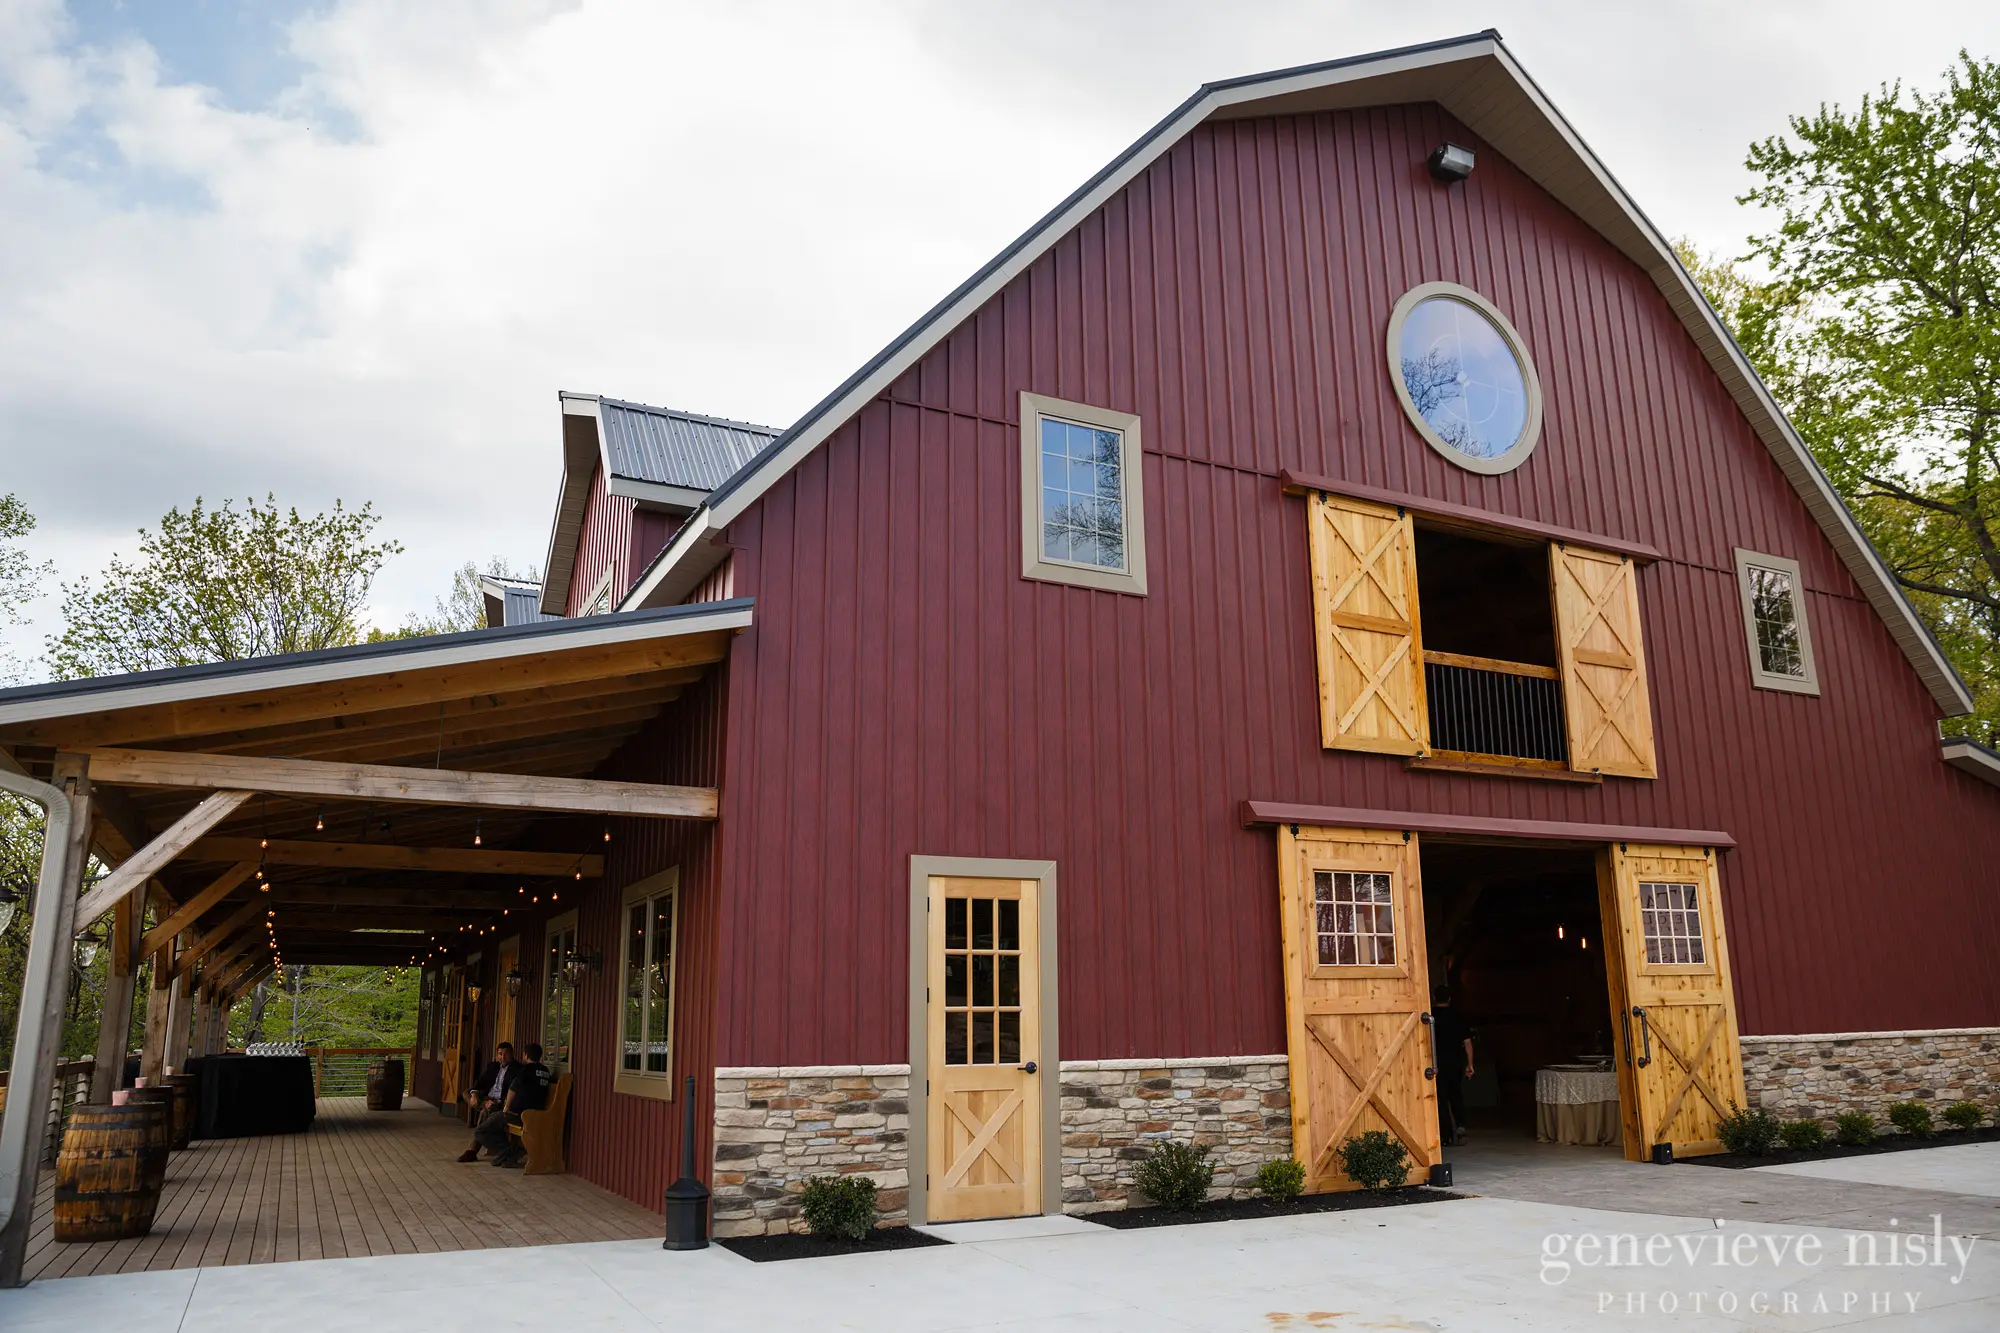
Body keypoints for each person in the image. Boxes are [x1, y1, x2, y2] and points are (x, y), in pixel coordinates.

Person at [487, 1043, 554, 1169]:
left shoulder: (525, 1069)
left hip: (522, 1115)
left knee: (487, 1125)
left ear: (525, 1055)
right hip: (539, 1114)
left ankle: (512, 1151)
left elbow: (513, 1089)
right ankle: (510, 1154)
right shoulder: (546, 1071)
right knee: (492, 1117)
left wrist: (506, 1109)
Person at [457, 1041, 520, 1163]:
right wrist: (475, 1095)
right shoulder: (493, 1066)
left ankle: (472, 1151)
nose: (503, 1057)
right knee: (467, 1093)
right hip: (488, 1098)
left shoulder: (517, 1069)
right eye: (500, 1054)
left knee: (485, 1112)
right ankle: (483, 1105)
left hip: (501, 1102)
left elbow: (513, 1092)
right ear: (497, 1055)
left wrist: (495, 1103)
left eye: (506, 1054)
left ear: (512, 1055)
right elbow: (480, 1081)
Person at [1431, 988, 1475, 1147]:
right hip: (1455, 1062)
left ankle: (1446, 1136)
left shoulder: (1430, 1017)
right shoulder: (1458, 1016)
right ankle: (1461, 1125)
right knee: (1456, 1094)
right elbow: (1467, 1042)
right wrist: (1470, 1064)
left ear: (1434, 998)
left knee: (1441, 1099)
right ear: (1450, 998)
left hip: (1436, 1062)